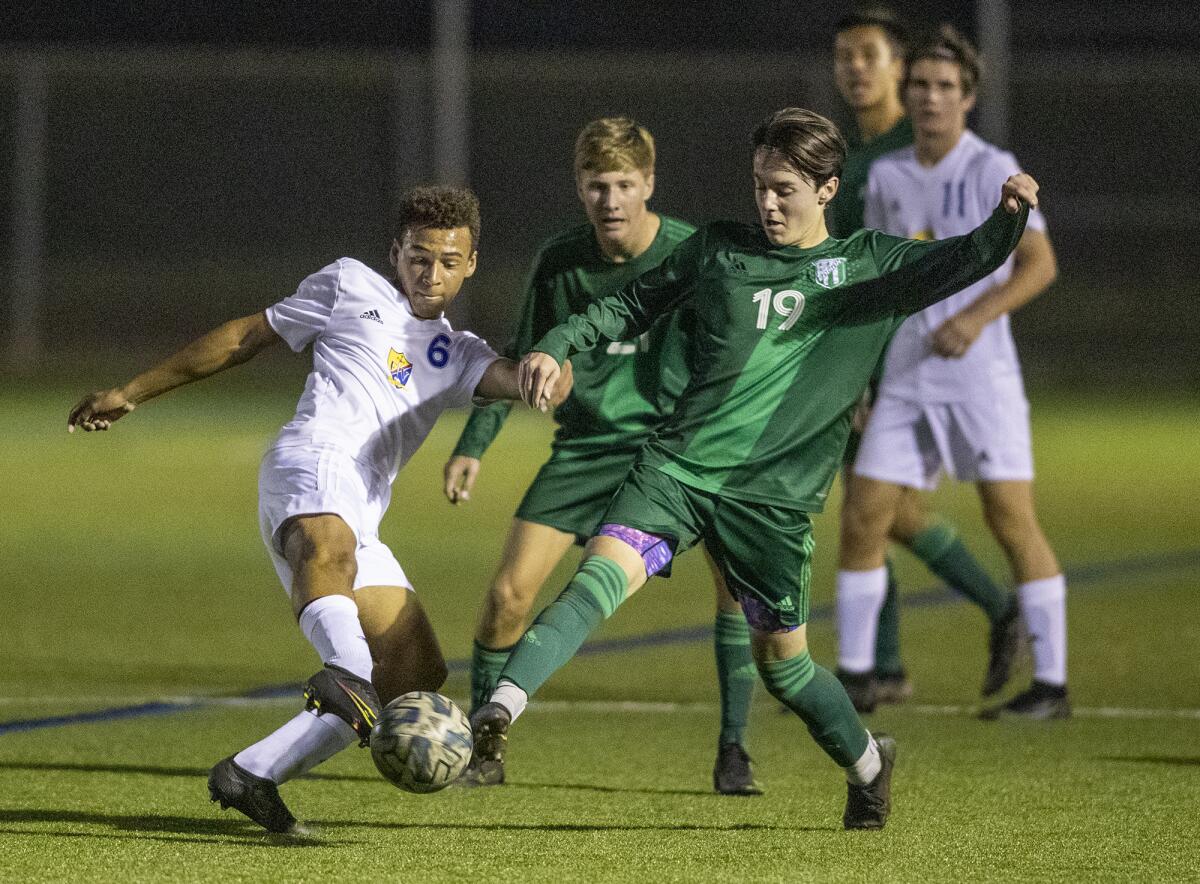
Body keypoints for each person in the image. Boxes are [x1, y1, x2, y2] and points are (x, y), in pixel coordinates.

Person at [472, 107, 1039, 830]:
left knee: (785, 669)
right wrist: (555, 344)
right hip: (676, 470)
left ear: (829, 187)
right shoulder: (718, 251)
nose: (767, 204)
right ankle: (500, 707)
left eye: (785, 189)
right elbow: (626, 307)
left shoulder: (869, 267)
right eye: (760, 187)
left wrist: (1008, 217)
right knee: (597, 580)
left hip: (770, 504)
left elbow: (963, 258)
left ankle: (868, 764)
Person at [67, 186, 571, 833]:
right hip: (310, 462)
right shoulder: (349, 284)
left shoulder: (459, 351)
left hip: (361, 505)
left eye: (449, 261)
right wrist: (132, 392)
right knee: (339, 598)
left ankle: (253, 772)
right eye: (419, 257)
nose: (432, 273)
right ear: (396, 253)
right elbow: (246, 336)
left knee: (413, 671)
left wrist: (549, 369)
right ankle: (345, 672)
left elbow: (517, 381)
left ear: (470, 264)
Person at [443, 117, 761, 794]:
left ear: (649, 183)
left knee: (737, 593)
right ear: (579, 187)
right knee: (506, 596)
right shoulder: (561, 260)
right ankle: (484, 747)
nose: (609, 199)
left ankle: (735, 750)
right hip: (586, 449)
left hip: (679, 451)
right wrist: (473, 446)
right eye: (596, 185)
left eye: (623, 184)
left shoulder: (693, 254)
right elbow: (520, 356)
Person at [840, 26, 1069, 720]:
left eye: (946, 88)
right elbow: (878, 281)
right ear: (906, 96)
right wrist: (864, 377)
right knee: (864, 516)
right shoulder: (885, 176)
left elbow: (1040, 264)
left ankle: (1052, 686)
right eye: (922, 88)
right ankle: (855, 680)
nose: (932, 98)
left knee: (1010, 519)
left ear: (968, 98)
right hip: (906, 374)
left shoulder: (991, 166)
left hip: (980, 378)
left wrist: (976, 317)